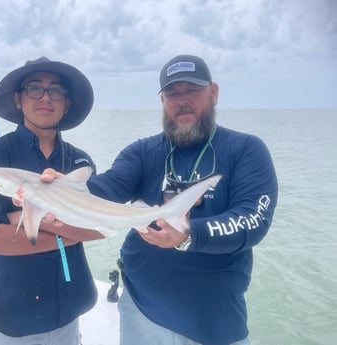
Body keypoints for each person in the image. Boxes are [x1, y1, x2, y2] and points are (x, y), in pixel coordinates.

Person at [41, 54, 278, 345]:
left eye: (191, 90)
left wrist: (190, 234)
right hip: (142, 310)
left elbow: (253, 219)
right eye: (172, 93)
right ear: (162, 100)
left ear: (213, 93)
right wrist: (63, 191)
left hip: (214, 320)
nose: (182, 100)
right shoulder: (144, 152)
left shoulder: (245, 150)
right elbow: (109, 187)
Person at [0, 57, 104, 345]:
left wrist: (22, 218)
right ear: (18, 99)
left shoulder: (80, 162)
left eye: (56, 90)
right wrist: (68, 227)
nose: (45, 97)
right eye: (34, 89)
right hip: (11, 313)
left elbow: (100, 229)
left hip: (68, 306)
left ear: (66, 103)